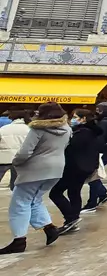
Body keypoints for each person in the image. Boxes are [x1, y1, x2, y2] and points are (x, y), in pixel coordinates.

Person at [0, 103, 71, 254]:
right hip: (56, 169)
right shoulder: (67, 129)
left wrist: (16, 163)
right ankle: (50, 229)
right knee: (35, 200)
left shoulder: (38, 128)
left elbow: (25, 152)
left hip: (34, 170)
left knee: (19, 203)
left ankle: (19, 241)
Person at [49, 109, 105, 233]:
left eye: (75, 117)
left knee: (55, 193)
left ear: (83, 119)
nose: (72, 119)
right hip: (84, 168)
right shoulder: (92, 131)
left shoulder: (82, 132)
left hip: (74, 168)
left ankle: (71, 218)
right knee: (74, 193)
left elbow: (71, 149)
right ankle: (72, 221)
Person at [83, 102, 107, 212]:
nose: (97, 111)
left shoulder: (105, 123)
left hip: (101, 152)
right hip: (106, 151)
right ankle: (102, 194)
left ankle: (92, 203)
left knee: (93, 176)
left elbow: (100, 139)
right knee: (94, 175)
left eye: (98, 109)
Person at [0, 110, 31, 190]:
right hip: (20, 159)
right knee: (15, 184)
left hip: (3, 158)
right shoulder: (29, 129)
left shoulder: (3, 129)